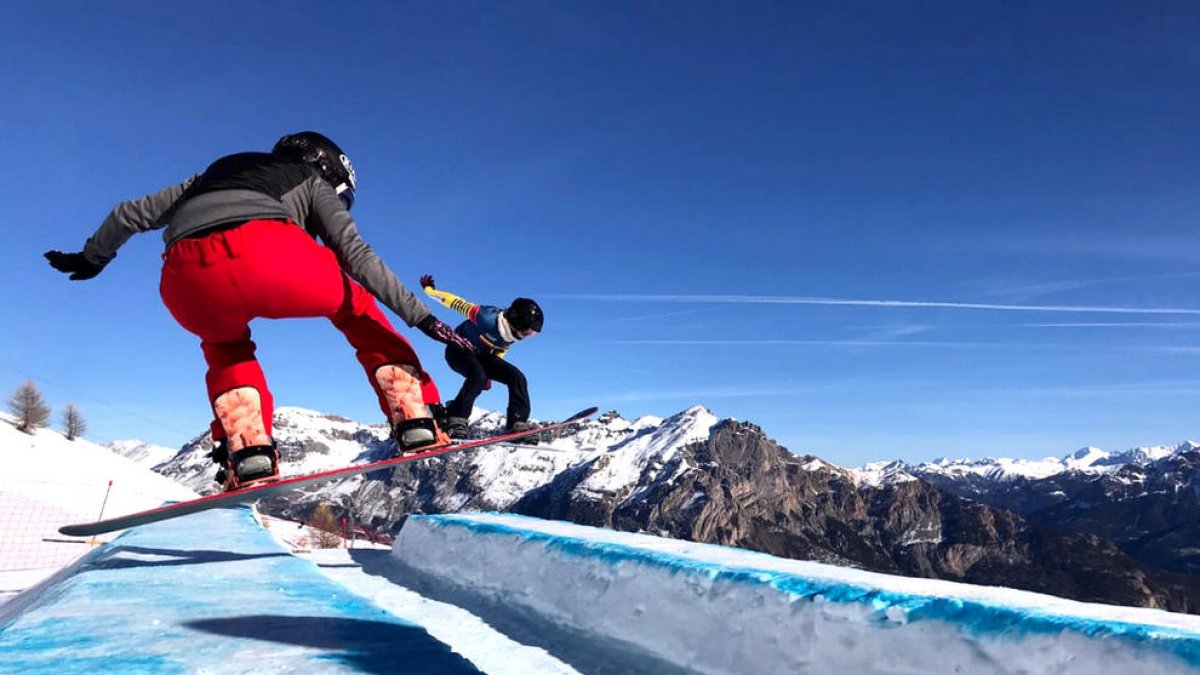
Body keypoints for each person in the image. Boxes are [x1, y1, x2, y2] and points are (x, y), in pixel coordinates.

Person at [45, 131, 476, 490]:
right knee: (356, 307)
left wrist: (92, 258)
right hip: (273, 255)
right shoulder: (311, 178)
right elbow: (355, 255)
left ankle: (249, 451)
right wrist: (424, 318)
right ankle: (415, 417)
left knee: (224, 345)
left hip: (186, 278)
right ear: (331, 171)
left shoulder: (210, 175)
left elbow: (127, 214)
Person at [419, 275, 543, 443]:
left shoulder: (512, 335)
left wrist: (493, 371)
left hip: (482, 356)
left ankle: (517, 422)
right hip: (457, 351)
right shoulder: (486, 317)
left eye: (532, 334)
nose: (527, 336)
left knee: (517, 378)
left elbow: (500, 350)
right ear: (516, 320)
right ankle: (456, 419)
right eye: (527, 332)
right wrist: (430, 291)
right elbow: (454, 302)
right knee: (478, 377)